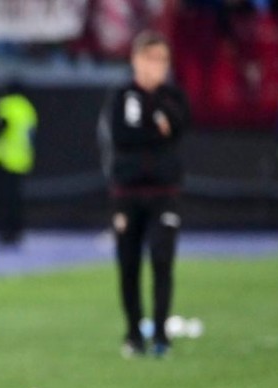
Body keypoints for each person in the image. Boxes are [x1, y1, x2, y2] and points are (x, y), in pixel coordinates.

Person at [98, 30, 190, 358]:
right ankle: (134, 331)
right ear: (136, 60)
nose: (156, 67)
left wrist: (154, 129)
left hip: (164, 192)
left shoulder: (174, 96)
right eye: (150, 59)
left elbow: (179, 128)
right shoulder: (121, 95)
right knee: (128, 263)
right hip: (127, 193)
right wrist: (156, 129)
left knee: (163, 260)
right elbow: (122, 136)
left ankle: (161, 332)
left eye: (162, 60)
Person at [0, 82, 38, 245]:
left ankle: (4, 232)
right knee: (15, 200)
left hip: (3, 159)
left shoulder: (5, 106)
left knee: (1, 200)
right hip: (20, 160)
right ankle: (15, 232)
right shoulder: (27, 108)